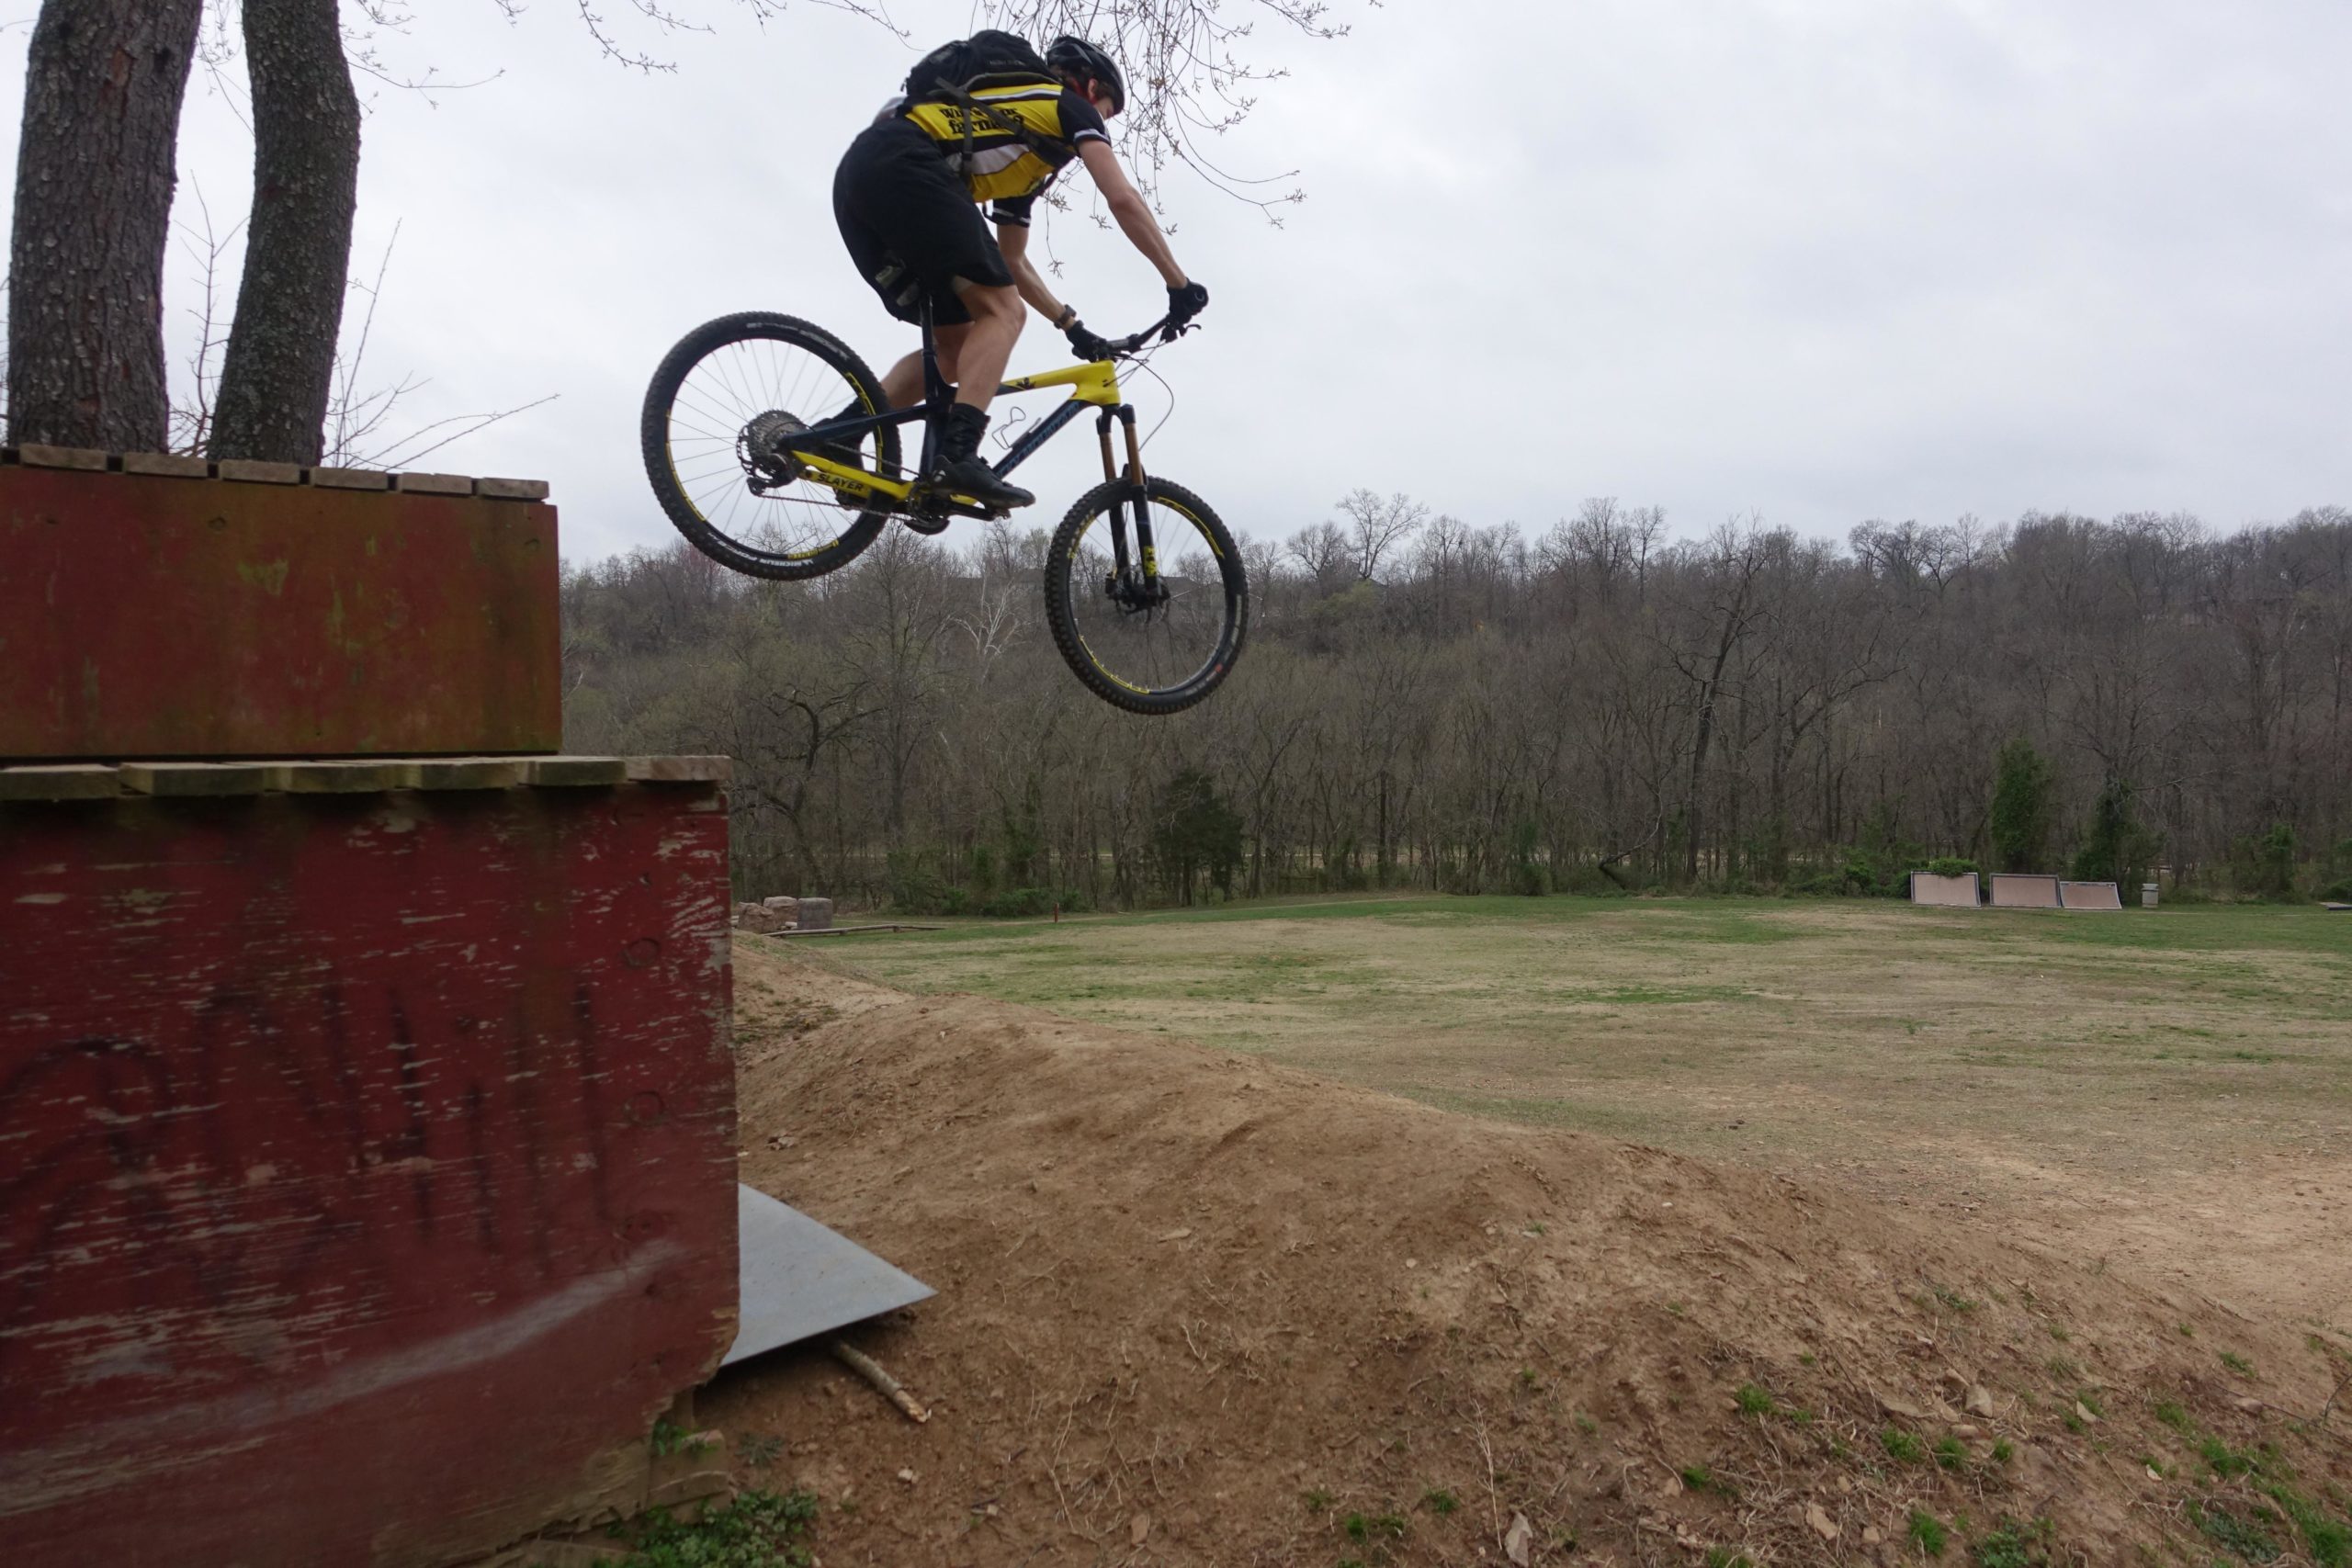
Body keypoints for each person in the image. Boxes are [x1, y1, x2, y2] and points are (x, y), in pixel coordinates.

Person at [831, 34, 1209, 510]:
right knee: (1004, 313)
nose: (1105, 122)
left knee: (957, 350)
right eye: (1109, 111)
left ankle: (840, 435)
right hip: (906, 165)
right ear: (1091, 88)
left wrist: (1073, 327)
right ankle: (959, 456)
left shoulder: (1017, 143)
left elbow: (1012, 262)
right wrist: (1178, 282)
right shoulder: (1067, 106)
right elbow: (1123, 199)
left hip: (863, 179)